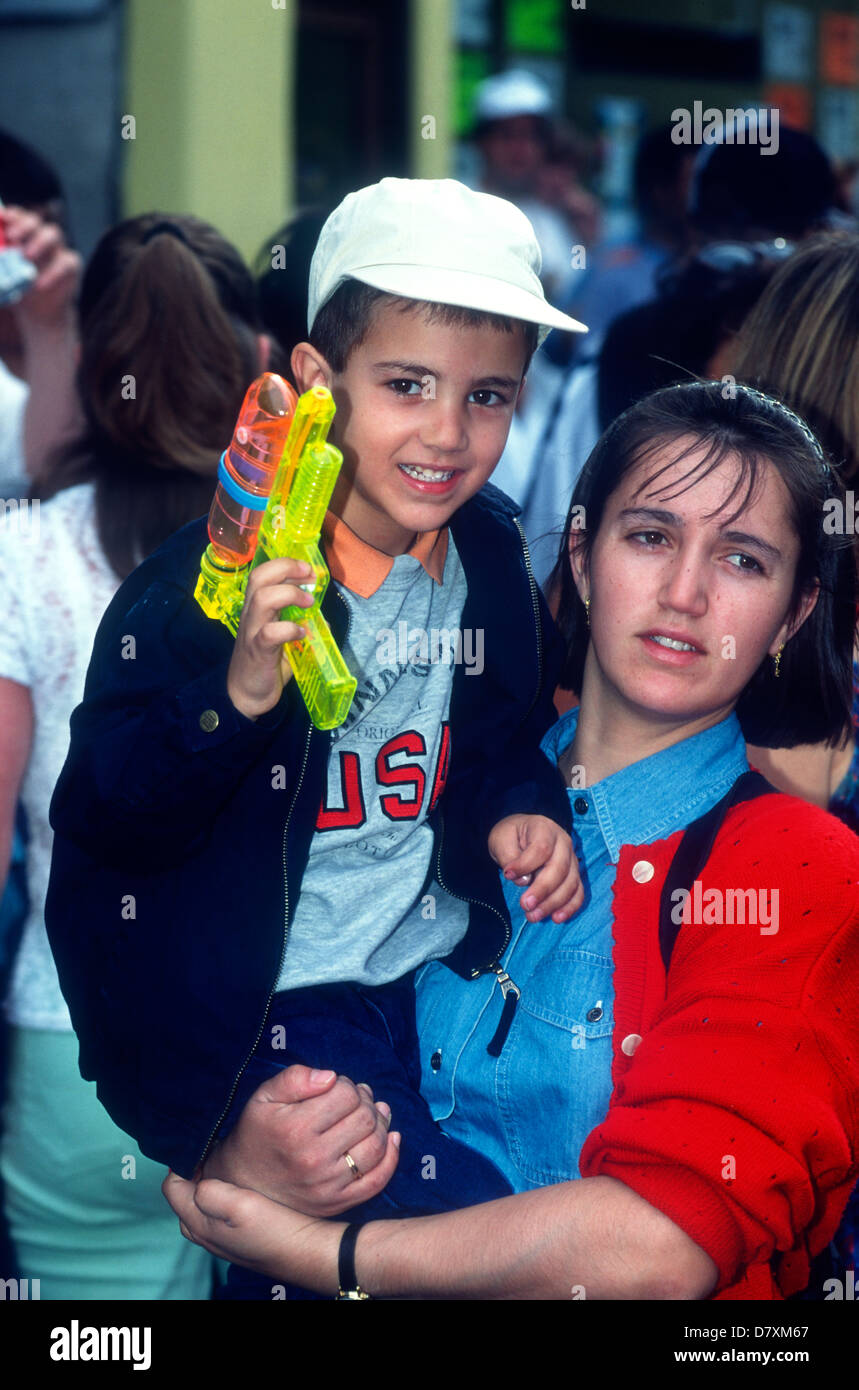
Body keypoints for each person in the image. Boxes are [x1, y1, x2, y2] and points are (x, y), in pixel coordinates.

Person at [165, 380, 859, 1301]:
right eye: (649, 536)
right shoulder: (424, 764)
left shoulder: (796, 866)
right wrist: (240, 1130)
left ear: (795, 611)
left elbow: (659, 1252)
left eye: (741, 560)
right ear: (580, 555)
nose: (684, 594)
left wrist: (329, 1257)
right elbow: (201, 954)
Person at [45, 179, 587, 1299]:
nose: (447, 432)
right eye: (405, 385)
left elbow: (492, 741)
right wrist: (237, 695)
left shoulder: (484, 555)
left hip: (430, 977)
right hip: (280, 1008)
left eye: (488, 395)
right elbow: (106, 820)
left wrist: (519, 803)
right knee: (470, 1239)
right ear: (311, 379)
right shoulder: (205, 590)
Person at [0, 209, 271, 1298]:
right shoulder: (299, 563)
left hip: (71, 1053)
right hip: (269, 1055)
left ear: (88, 357)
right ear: (256, 365)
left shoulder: (21, 554)